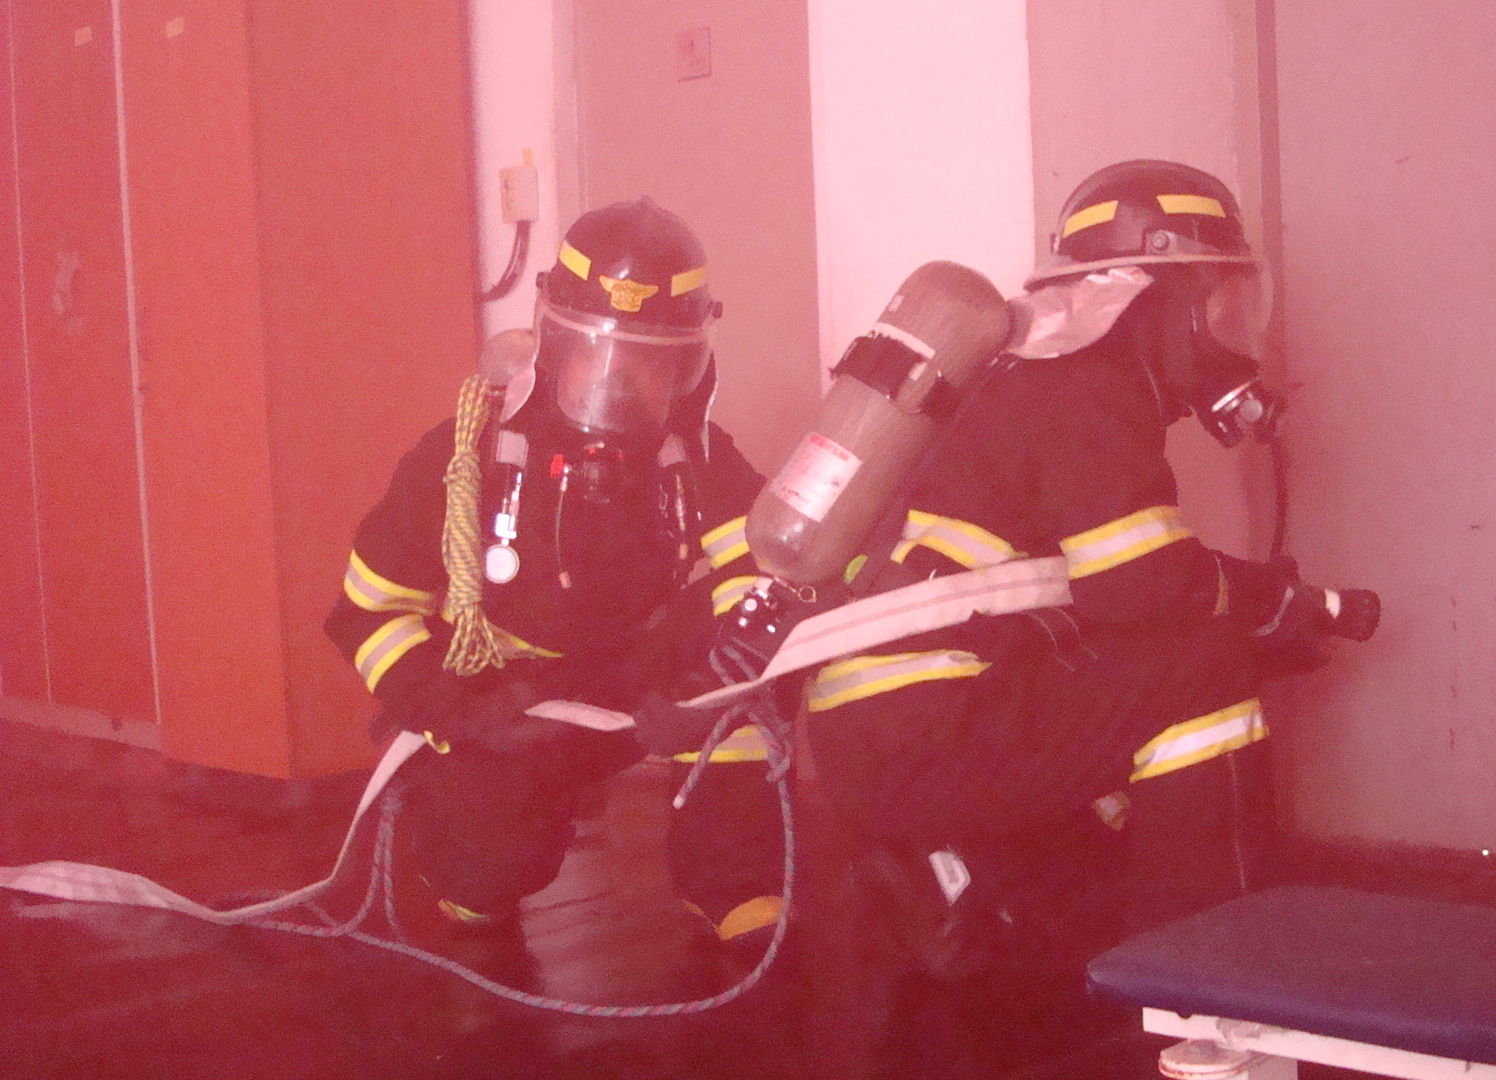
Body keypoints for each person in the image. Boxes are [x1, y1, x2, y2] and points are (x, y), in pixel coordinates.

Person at [792, 160, 1377, 1078]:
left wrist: (1261, 605)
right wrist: (1275, 607)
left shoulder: (1022, 375)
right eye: (1216, 308)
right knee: (1206, 672)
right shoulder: (1089, 386)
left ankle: (956, 876)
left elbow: (1104, 604)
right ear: (1150, 302)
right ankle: (1214, 1000)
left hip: (880, 730)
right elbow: (1148, 586)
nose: (1230, 338)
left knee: (1134, 688)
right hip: (931, 724)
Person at [323, 199, 782, 970]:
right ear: (551, 344)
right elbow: (367, 613)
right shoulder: (464, 459)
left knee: (745, 687)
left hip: (646, 692)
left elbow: (763, 583)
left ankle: (734, 880)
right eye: (595, 353)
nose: (616, 381)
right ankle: (472, 848)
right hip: (509, 704)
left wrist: (711, 688)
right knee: (478, 886)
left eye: (647, 360)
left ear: (684, 368)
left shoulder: (703, 462)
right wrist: (458, 709)